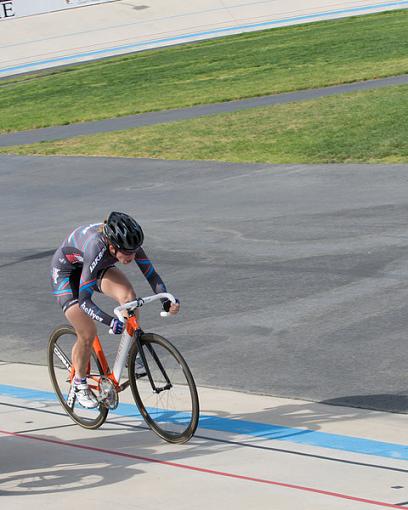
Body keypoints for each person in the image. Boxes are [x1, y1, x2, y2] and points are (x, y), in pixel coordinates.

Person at [50, 211, 180, 409]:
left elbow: (151, 275)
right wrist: (110, 321)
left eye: (135, 251)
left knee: (129, 298)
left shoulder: (128, 244)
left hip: (93, 267)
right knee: (87, 332)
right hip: (67, 275)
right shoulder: (96, 247)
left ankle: (131, 355)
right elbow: (84, 301)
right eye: (127, 253)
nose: (132, 256)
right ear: (112, 246)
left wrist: (165, 300)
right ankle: (80, 383)